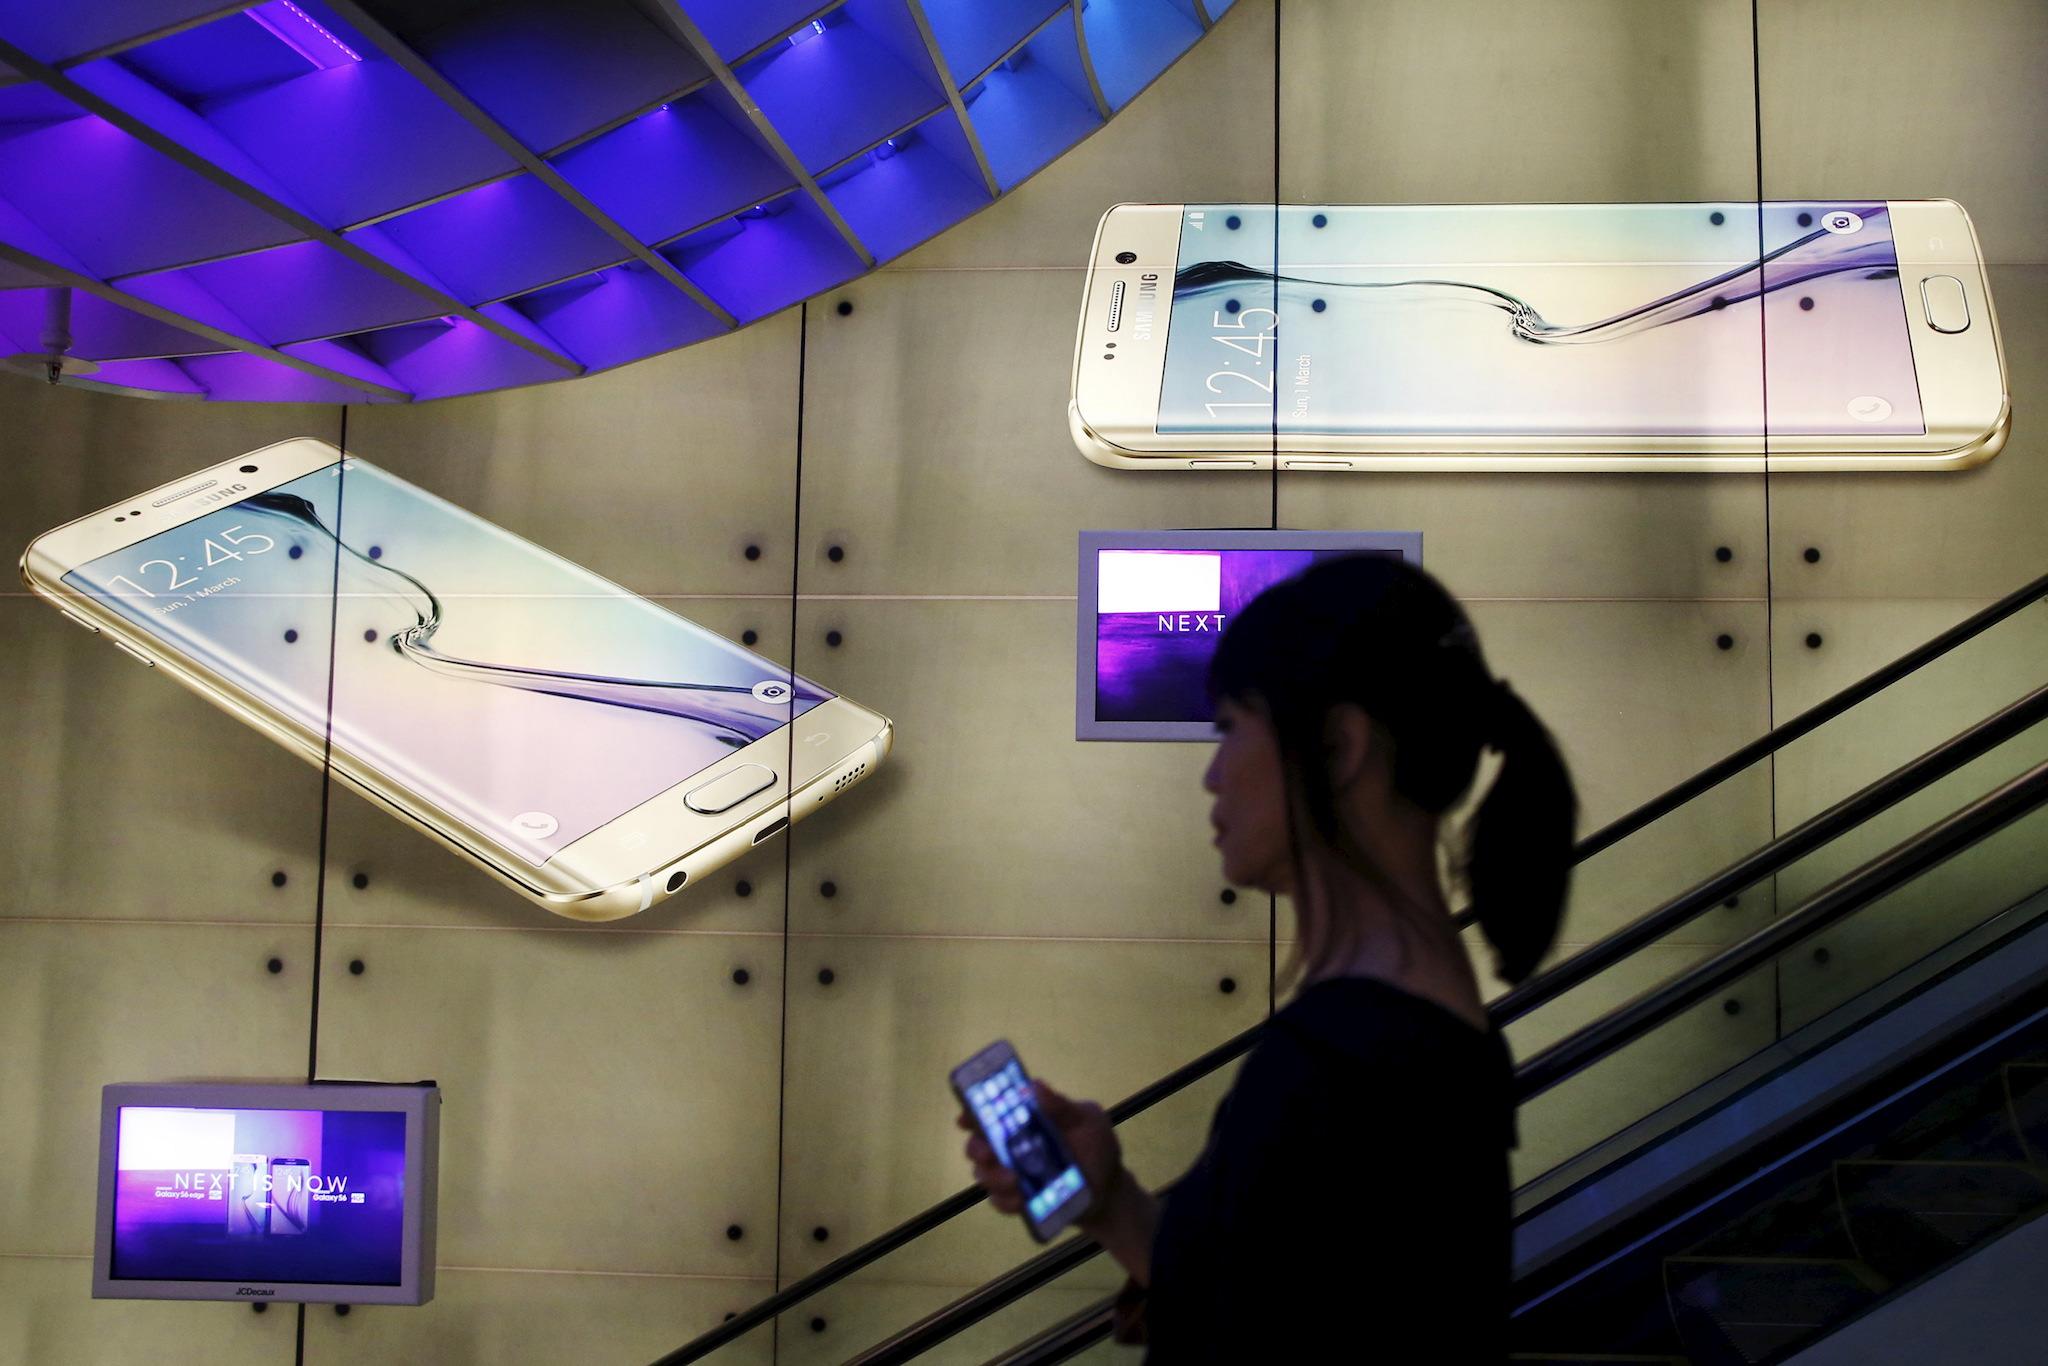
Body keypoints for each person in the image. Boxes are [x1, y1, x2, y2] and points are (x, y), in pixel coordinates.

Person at [960, 555, 1577, 1361]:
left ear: (1336, 746)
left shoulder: (1334, 1071)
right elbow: (1278, 1298)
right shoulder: (1424, 1044)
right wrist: (1112, 1203)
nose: (1213, 777)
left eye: (1229, 728)